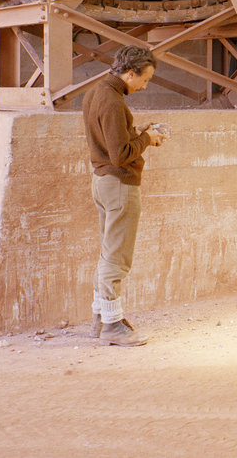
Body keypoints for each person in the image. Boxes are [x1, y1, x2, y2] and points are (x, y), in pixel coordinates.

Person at [82, 46, 169, 347]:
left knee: (108, 253)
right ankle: (113, 325)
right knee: (117, 258)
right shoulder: (113, 101)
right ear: (130, 73)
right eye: (144, 80)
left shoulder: (96, 92)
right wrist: (147, 138)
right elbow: (120, 155)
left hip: (102, 182)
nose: (145, 86)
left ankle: (100, 317)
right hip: (120, 184)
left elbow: (110, 143)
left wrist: (140, 133)